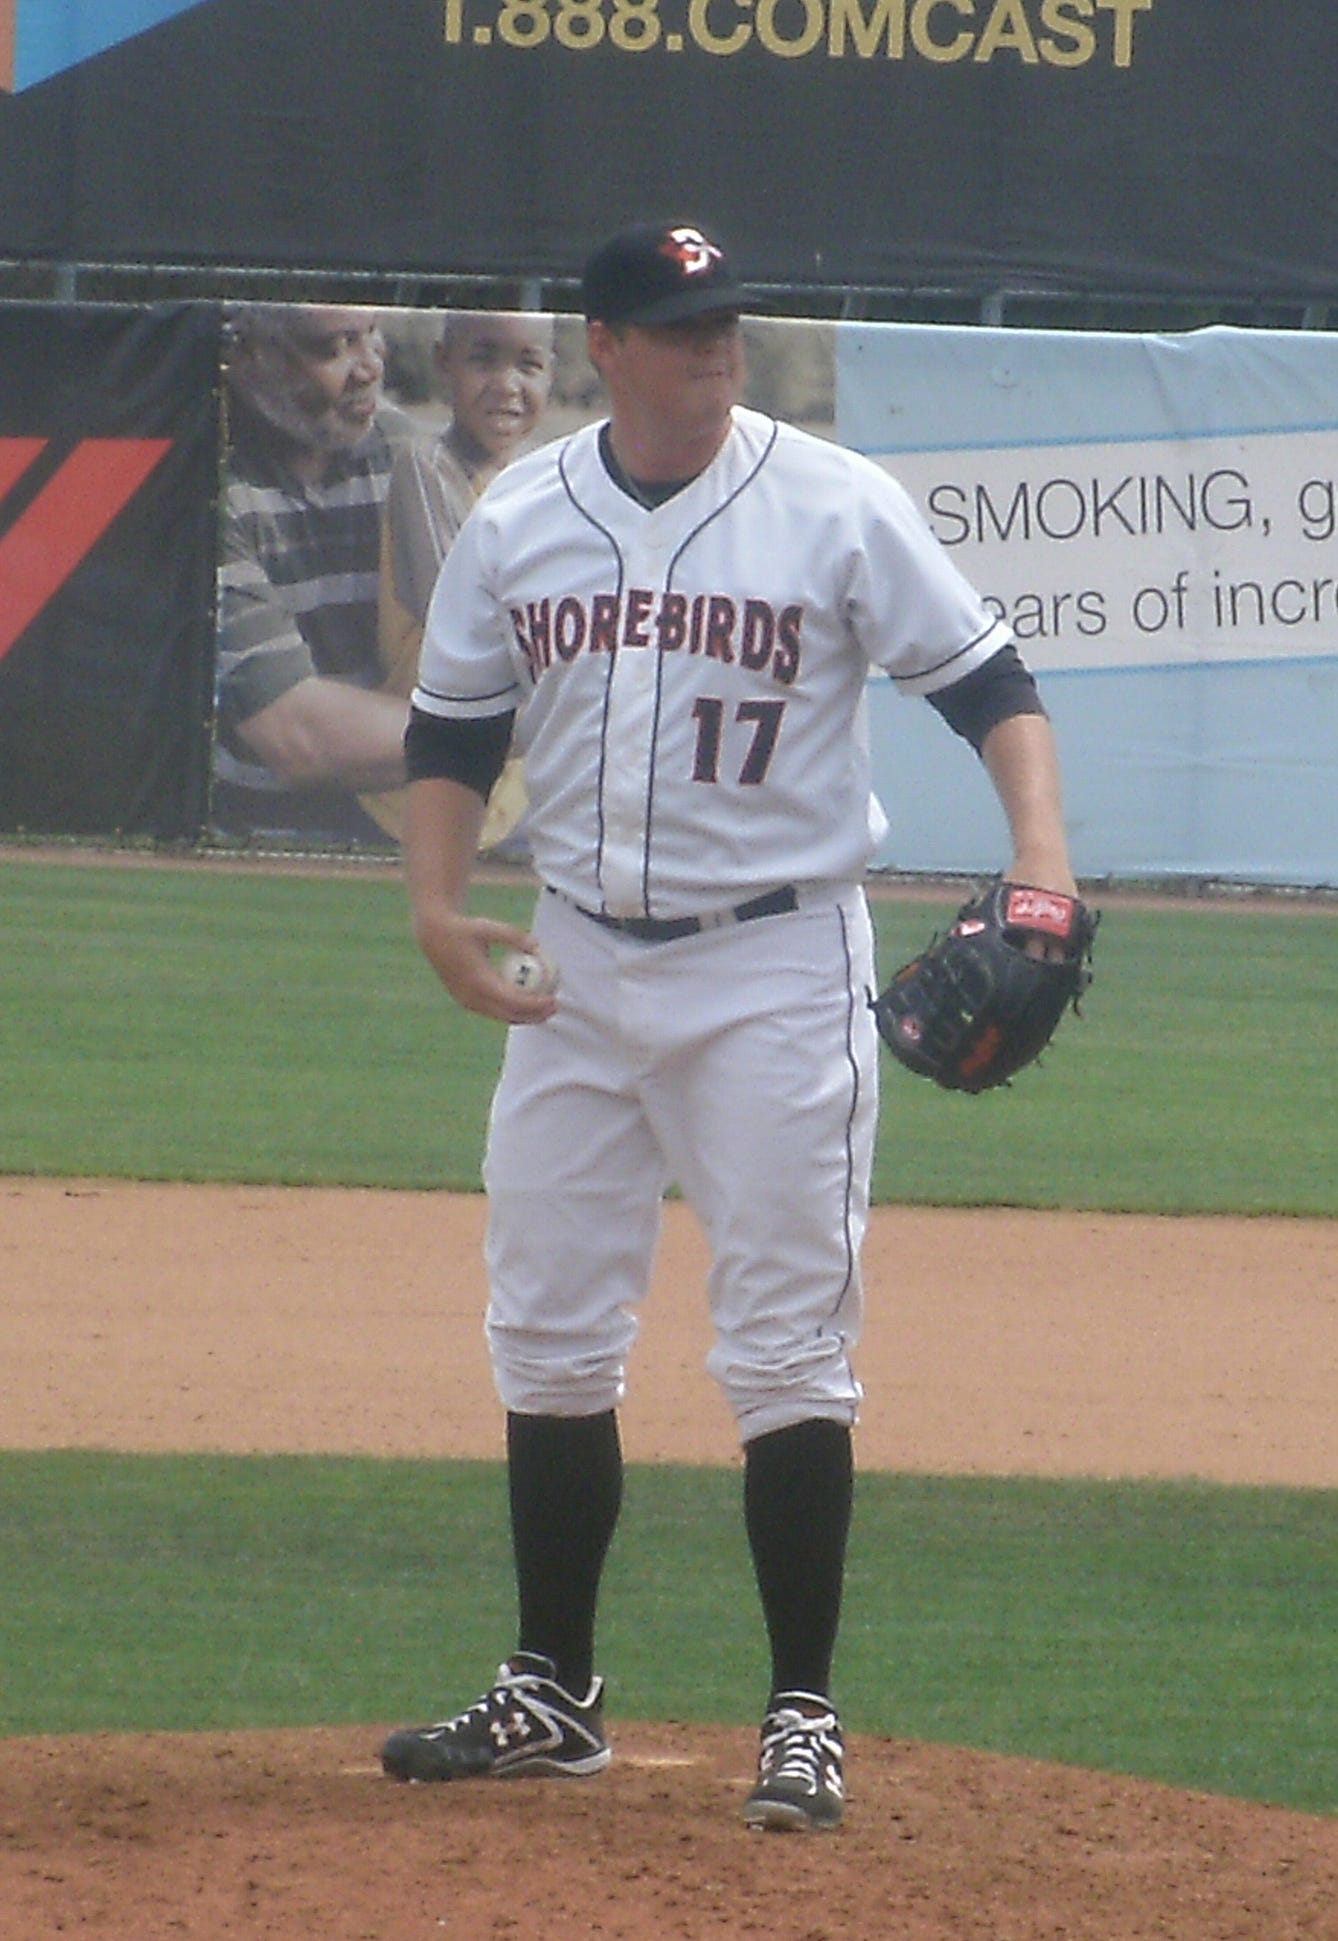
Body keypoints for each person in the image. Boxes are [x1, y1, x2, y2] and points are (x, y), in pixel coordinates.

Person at [379, 220, 1079, 1833]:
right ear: (605, 345)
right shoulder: (524, 515)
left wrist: (1038, 857)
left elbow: (987, 679)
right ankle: (554, 1690)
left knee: (783, 1349)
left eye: (728, 324)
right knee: (546, 1328)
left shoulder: (832, 501)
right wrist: (431, 904)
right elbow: (452, 720)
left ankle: (803, 1714)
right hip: (571, 964)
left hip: (771, 968)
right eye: (682, 328)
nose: (716, 348)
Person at [213, 303, 416, 845]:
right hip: (253, 842)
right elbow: (296, 738)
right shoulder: (205, 486)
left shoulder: (412, 458)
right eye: (334, 347)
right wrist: (520, 729)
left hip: (412, 830)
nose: (369, 366)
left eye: (373, 335)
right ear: (247, 354)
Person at [360, 311, 556, 848]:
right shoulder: (425, 466)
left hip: (510, 792)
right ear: (444, 363)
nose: (506, 386)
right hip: (417, 788)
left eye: (529, 365)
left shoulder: (547, 477)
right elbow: (460, 616)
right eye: (483, 361)